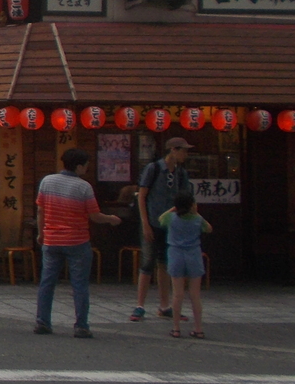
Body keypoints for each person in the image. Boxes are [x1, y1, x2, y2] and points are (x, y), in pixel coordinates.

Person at [35, 147, 121, 337]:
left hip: (51, 239)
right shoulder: (83, 187)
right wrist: (110, 219)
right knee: (79, 284)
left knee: (47, 282)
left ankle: (42, 322)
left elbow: (40, 211)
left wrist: (41, 233)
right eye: (86, 165)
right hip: (77, 241)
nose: (87, 169)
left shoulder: (47, 182)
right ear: (79, 166)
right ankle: (81, 325)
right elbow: (94, 216)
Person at [133, 137, 193, 322]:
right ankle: (140, 305)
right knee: (147, 262)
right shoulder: (154, 168)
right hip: (152, 221)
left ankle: (164, 305)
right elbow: (142, 196)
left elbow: (185, 197)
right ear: (173, 150)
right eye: (183, 150)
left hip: (170, 224)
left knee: (164, 263)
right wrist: (145, 223)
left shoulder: (180, 173)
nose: (185, 154)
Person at [160, 191, 211, 339]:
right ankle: (198, 328)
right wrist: (197, 214)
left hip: (175, 254)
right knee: (195, 294)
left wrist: (174, 209)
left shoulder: (171, 218)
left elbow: (160, 219)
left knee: (178, 294)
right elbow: (209, 228)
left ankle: (176, 328)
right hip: (193, 254)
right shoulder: (197, 220)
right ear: (191, 205)